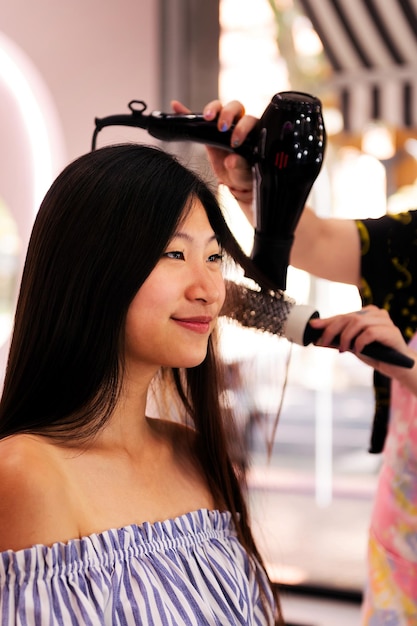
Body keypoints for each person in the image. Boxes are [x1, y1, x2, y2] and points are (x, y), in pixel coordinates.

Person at [0, 143, 283, 625]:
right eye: (175, 253)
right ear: (92, 270)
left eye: (214, 257)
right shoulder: (27, 475)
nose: (209, 289)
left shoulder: (193, 453)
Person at [171, 98, 417, 624]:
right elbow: (318, 240)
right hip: (404, 549)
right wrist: (253, 180)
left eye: (213, 257)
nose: (203, 290)